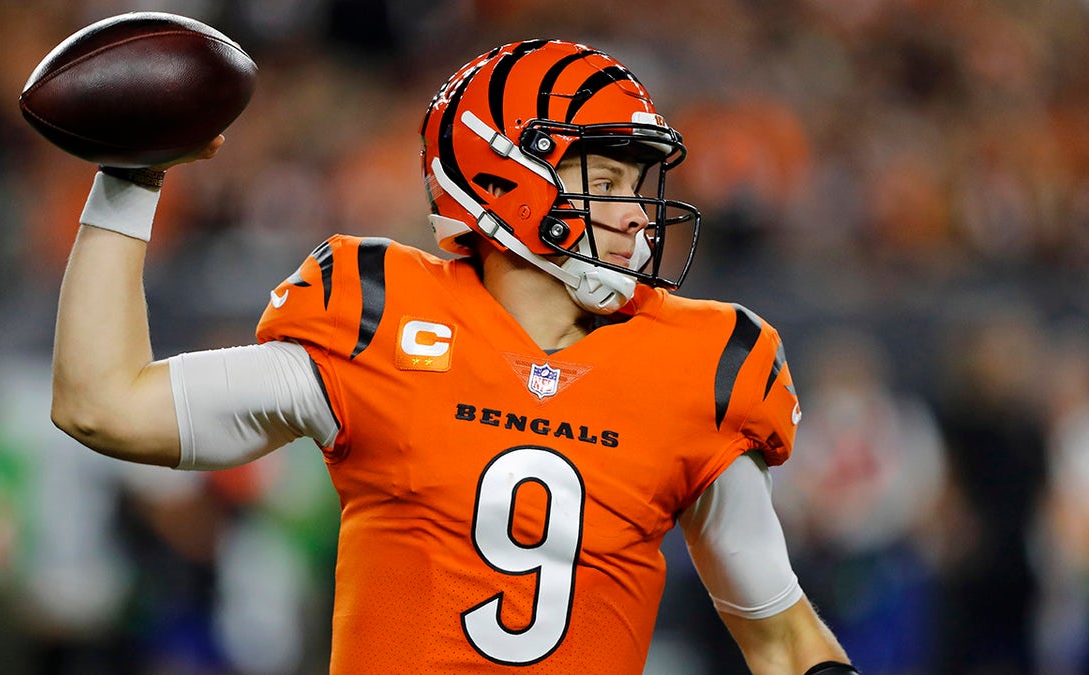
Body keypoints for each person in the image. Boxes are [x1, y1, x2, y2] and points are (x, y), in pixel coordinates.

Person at [50, 38, 855, 674]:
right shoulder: (377, 318)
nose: (638, 217)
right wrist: (131, 178)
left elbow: (783, 639)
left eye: (638, 185)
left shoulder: (701, 362)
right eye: (606, 180)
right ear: (504, 179)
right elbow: (102, 405)